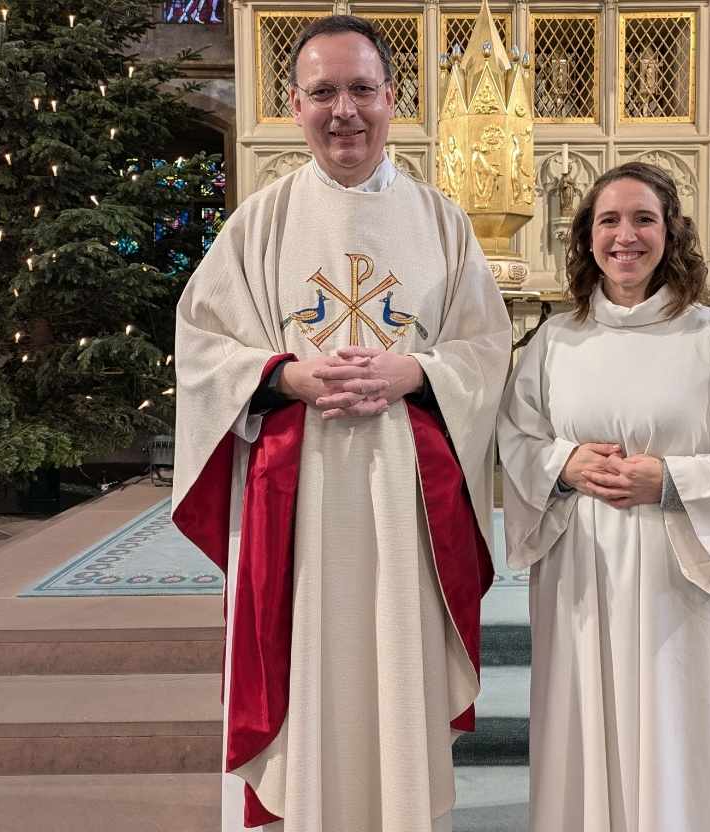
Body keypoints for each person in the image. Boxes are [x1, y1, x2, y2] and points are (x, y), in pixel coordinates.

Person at [169, 16, 510, 832]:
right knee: (310, 664)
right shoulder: (260, 221)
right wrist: (283, 375)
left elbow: (487, 347)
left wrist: (416, 371)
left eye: (361, 89)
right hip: (299, 499)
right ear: (294, 105)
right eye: (323, 92)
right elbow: (200, 345)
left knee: (395, 664)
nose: (344, 111)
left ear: (393, 99)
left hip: (403, 503)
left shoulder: (442, 222)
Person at [497, 162, 710, 831]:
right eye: (609, 220)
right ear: (587, 236)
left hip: (680, 570)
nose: (625, 236)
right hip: (582, 569)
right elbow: (516, 436)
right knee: (583, 726)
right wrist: (564, 463)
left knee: (678, 727)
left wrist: (673, 479)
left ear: (670, 233)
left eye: (643, 220)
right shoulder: (556, 341)